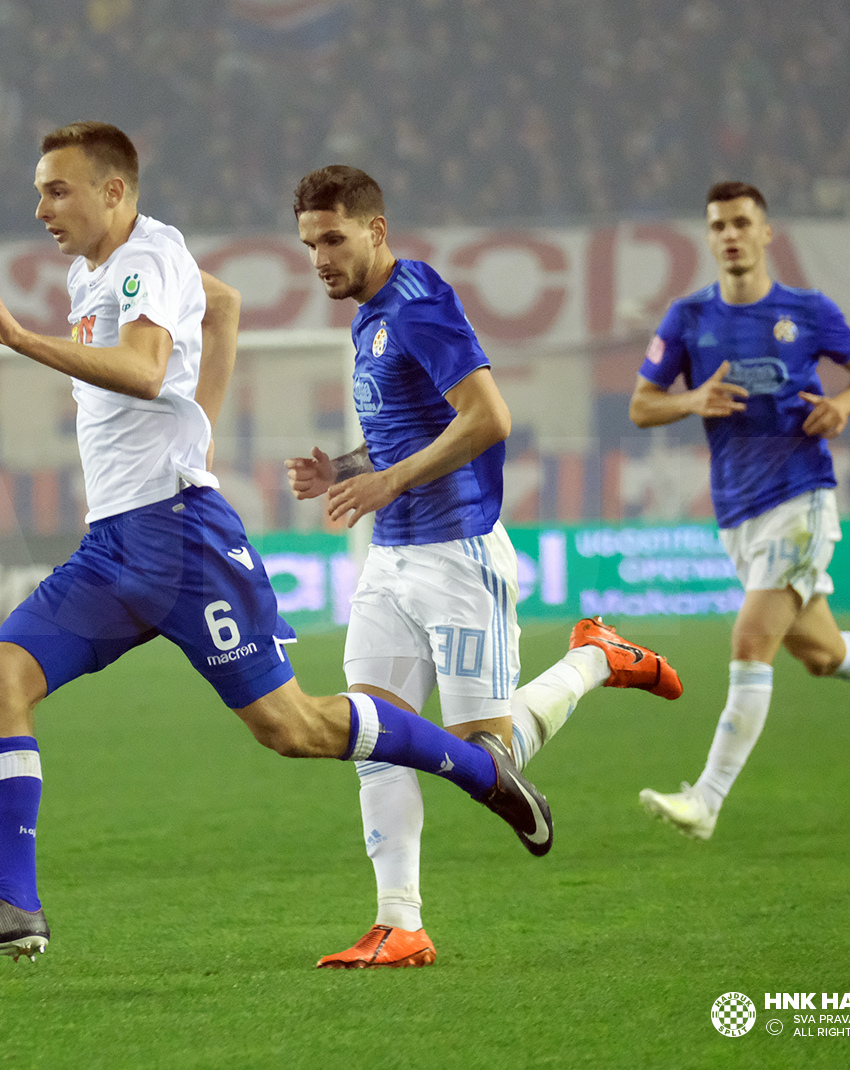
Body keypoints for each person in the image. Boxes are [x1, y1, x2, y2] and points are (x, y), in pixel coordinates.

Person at [0, 122, 554, 969]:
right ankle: (16, 906)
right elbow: (222, 307)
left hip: (182, 543)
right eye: (40, 190)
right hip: (114, 545)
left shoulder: (146, 258)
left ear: (114, 191)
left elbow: (147, 370)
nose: (41, 207)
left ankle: (481, 771)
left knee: (293, 730)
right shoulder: (97, 270)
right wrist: (201, 434)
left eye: (56, 189)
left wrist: (22, 337)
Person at [285, 165, 683, 969]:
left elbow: (490, 416)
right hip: (392, 561)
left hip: (460, 556)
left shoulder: (421, 304)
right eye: (308, 244)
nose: (320, 257)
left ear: (376, 230)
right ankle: (400, 922)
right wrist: (350, 469)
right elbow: (409, 436)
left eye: (333, 238)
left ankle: (594, 658)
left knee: (491, 763)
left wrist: (387, 480)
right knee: (373, 737)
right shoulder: (367, 321)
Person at [630, 181, 850, 841]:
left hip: (803, 495)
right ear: (709, 237)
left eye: (740, 223)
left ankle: (707, 800)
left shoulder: (806, 311)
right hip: (738, 511)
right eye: (718, 225)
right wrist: (691, 401)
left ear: (765, 233)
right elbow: (644, 404)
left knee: (751, 639)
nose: (729, 234)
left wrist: (843, 405)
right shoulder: (688, 317)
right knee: (822, 653)